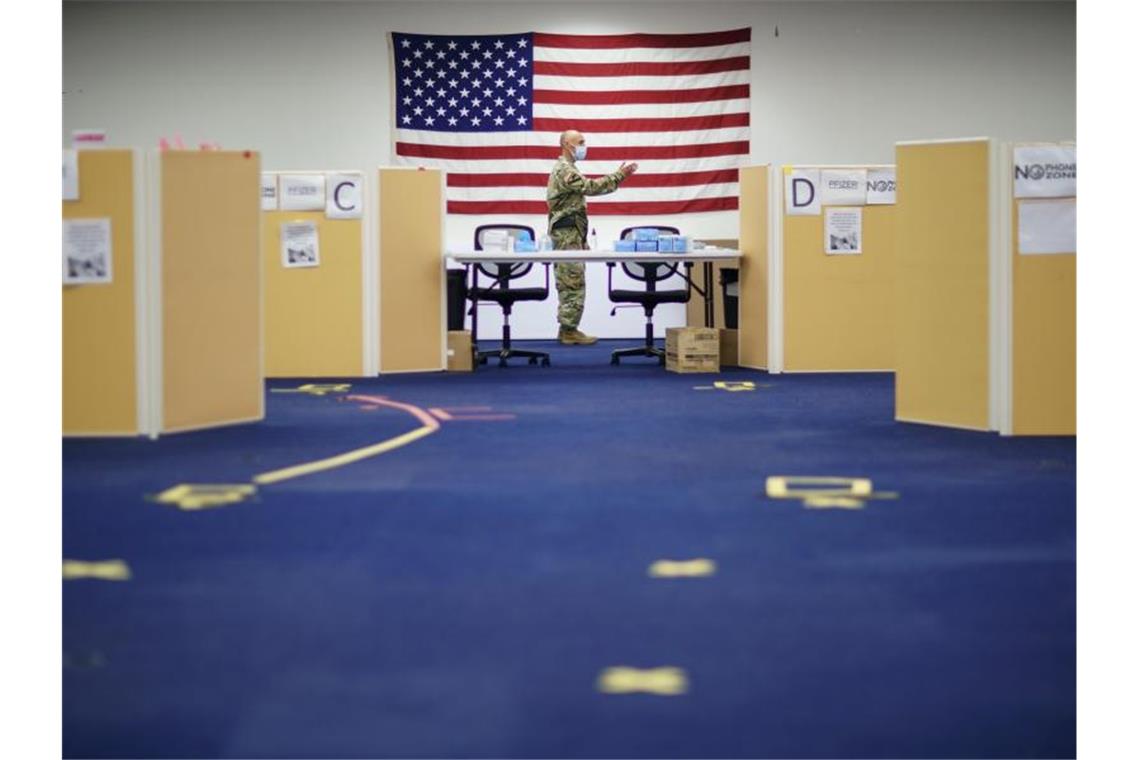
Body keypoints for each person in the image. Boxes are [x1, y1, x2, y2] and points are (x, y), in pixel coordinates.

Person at [546, 130, 638, 345]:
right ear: (567, 144)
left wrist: (582, 238)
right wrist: (619, 175)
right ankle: (569, 331)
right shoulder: (564, 170)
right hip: (567, 235)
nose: (583, 146)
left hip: (572, 233)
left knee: (572, 281)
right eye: (580, 142)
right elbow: (591, 187)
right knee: (572, 282)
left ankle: (567, 328)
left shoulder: (568, 169)